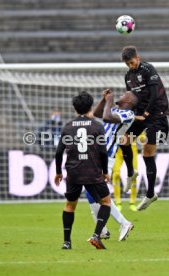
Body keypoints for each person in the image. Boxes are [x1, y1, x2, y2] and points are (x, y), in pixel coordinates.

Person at [54, 91, 111, 250]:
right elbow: (102, 152)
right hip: (92, 172)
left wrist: (58, 172)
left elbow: (59, 152)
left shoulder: (67, 127)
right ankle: (96, 235)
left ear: (75, 108)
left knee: (70, 205)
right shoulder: (97, 126)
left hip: (74, 173)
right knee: (106, 202)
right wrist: (105, 171)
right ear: (91, 107)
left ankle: (66, 242)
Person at [120, 45, 169, 211]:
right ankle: (130, 173)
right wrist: (128, 112)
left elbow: (155, 94)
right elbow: (132, 99)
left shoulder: (148, 69)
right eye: (128, 64)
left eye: (132, 62)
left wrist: (146, 112)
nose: (131, 66)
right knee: (124, 140)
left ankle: (150, 194)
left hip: (157, 114)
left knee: (147, 151)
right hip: (141, 115)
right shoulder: (128, 76)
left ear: (137, 57)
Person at [85, 89, 139, 242]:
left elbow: (107, 118)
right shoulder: (115, 109)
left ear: (128, 102)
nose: (120, 96)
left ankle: (123, 223)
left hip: (106, 156)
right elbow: (97, 114)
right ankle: (102, 230)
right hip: (97, 154)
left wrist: (109, 100)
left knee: (99, 194)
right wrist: (104, 99)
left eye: (124, 95)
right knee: (90, 192)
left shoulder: (128, 115)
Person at [112, 131, 145, 212]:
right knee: (116, 174)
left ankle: (132, 203)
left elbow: (142, 136)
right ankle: (118, 203)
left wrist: (144, 141)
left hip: (132, 151)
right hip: (118, 152)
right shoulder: (117, 121)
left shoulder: (134, 122)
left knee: (134, 175)